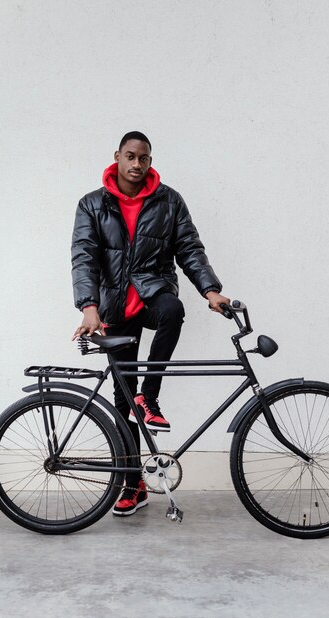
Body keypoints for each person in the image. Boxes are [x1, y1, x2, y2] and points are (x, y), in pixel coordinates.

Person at [71, 131, 230, 516]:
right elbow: (84, 257)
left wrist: (210, 290)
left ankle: (150, 395)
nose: (137, 164)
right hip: (113, 307)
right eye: (130, 156)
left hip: (151, 293)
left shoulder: (169, 201)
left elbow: (190, 248)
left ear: (150, 161)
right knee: (121, 403)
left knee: (173, 310)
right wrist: (88, 306)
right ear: (118, 157)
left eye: (144, 158)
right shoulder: (93, 204)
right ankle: (133, 486)